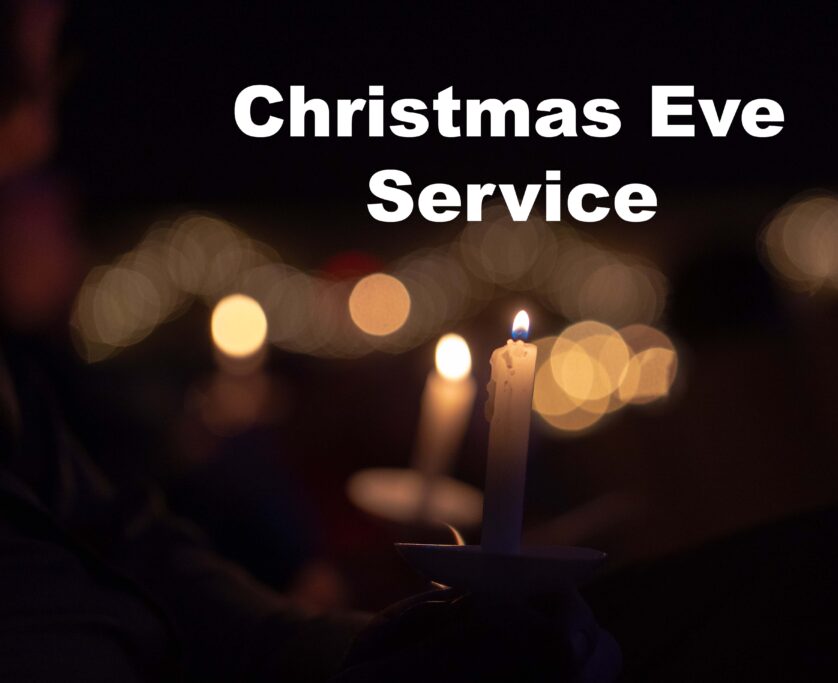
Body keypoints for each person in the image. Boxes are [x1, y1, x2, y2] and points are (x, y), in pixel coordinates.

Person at [0, 2, 621, 681]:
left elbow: (130, 540)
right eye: (35, 76)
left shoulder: (25, 393)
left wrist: (356, 645)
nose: (39, 137)